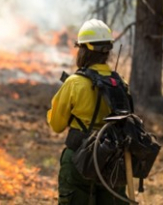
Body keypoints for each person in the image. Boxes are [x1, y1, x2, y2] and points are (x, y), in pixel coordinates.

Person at [47, 19, 127, 205]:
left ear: (83, 50)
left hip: (79, 159)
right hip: (113, 161)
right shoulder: (120, 83)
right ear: (107, 52)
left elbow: (57, 125)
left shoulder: (74, 83)